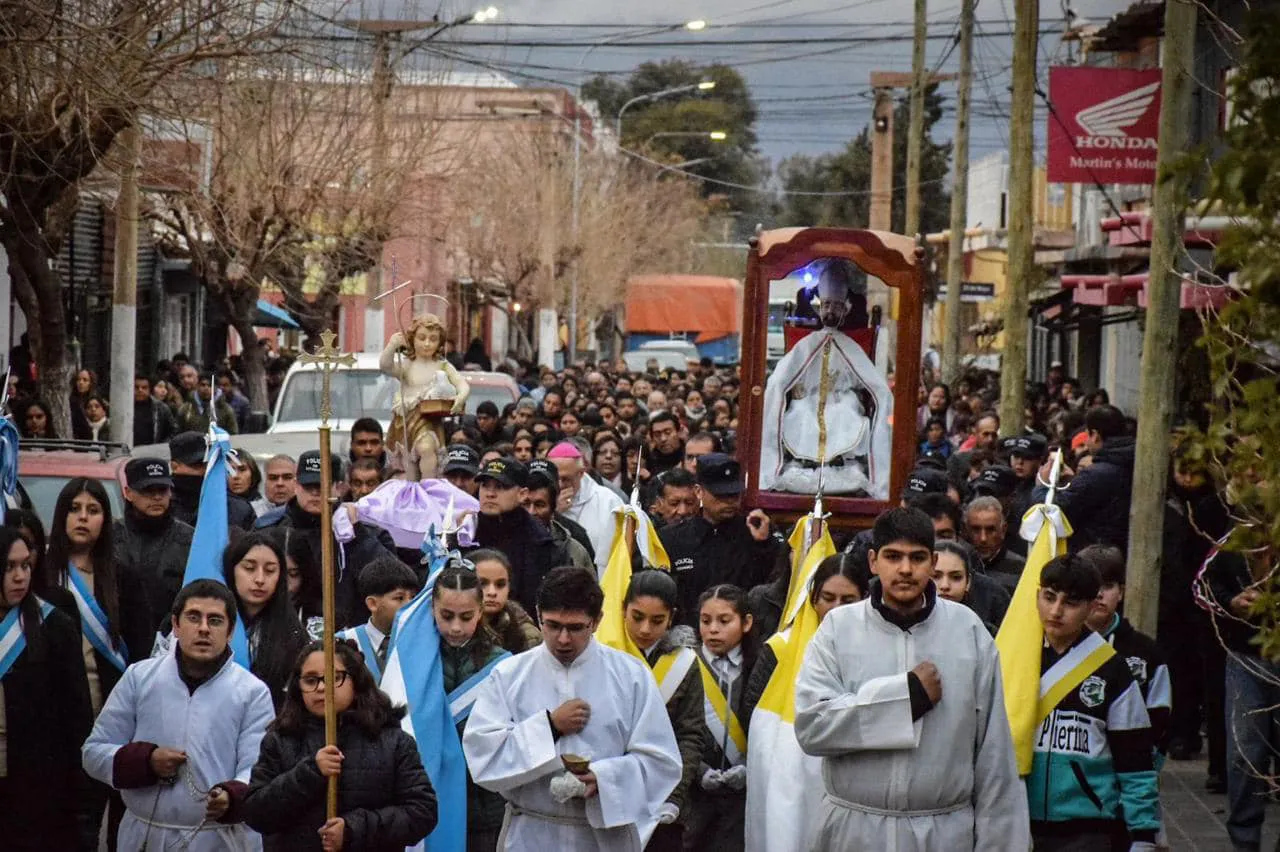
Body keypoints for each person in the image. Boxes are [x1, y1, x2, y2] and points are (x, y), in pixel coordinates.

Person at [793, 507, 1028, 851]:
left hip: (941, 832)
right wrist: (907, 698)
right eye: (893, 557)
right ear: (873, 561)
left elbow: (994, 756)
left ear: (933, 563)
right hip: (855, 830)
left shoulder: (968, 632)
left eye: (917, 558)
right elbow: (812, 727)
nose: (905, 569)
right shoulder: (838, 629)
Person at [461, 566, 683, 850]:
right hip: (533, 832)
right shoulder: (509, 675)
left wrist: (604, 780)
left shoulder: (631, 676)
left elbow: (661, 763)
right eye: (552, 625)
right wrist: (549, 727)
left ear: (598, 620)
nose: (563, 639)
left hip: (602, 838)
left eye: (576, 627)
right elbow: (483, 757)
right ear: (538, 614)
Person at [82, 579, 276, 852]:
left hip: (218, 839)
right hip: (144, 836)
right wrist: (146, 761)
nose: (204, 628)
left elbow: (257, 769)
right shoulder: (140, 677)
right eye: (194, 617)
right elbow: (93, 753)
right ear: (175, 624)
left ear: (231, 631)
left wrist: (232, 797)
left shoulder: (252, 692)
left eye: (216, 620)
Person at [242, 639, 439, 851]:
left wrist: (354, 829)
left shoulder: (394, 742)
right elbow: (256, 813)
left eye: (334, 678)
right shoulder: (280, 740)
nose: (321, 688)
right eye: (310, 680)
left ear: (356, 681)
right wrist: (310, 773)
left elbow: (422, 812)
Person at [1027, 554, 1160, 851]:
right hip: (1019, 822)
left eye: (1071, 603)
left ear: (1090, 606)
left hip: (1089, 829)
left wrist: (1143, 833)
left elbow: (1135, 759)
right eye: (1049, 597)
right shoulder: (1016, 658)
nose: (1056, 611)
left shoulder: (1113, 670)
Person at [742, 548, 869, 852]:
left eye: (848, 600)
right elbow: (753, 711)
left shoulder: (877, 650)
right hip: (788, 782)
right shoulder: (781, 647)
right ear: (813, 598)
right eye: (828, 598)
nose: (836, 608)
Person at [760, 258, 893, 499]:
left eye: (836, 306)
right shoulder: (805, 345)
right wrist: (790, 390)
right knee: (800, 413)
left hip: (843, 399)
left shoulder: (852, 347)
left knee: (844, 413)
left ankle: (839, 467)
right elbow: (779, 380)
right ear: (819, 306)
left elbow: (875, 386)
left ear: (845, 309)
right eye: (827, 305)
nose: (830, 311)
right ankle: (805, 466)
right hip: (807, 399)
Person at [0, 525, 95, 852]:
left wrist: (79, 791)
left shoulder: (54, 626)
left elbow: (77, 715)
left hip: (38, 786)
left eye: (26, 565)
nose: (19, 576)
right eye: (9, 567)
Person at [263, 451, 400, 628]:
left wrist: (358, 537)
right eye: (307, 486)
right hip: (285, 630)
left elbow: (393, 583)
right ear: (296, 485)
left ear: (340, 487)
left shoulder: (368, 533)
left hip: (351, 634)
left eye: (321, 486)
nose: (314, 493)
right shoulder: (271, 531)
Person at [618, 570, 705, 850]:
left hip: (663, 797)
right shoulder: (607, 653)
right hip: (611, 790)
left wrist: (675, 796)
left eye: (657, 621)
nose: (645, 629)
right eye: (637, 617)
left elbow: (690, 734)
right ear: (623, 609)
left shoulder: (684, 663)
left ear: (672, 617)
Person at [432, 565, 511, 852]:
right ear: (432, 609)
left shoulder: (503, 665)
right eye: (446, 616)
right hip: (428, 797)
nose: (456, 627)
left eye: (466, 617)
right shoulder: (416, 661)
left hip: (484, 804)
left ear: (480, 612)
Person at [660, 454, 787, 628]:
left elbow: (775, 583)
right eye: (720, 496)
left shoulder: (756, 532)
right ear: (699, 492)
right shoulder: (672, 538)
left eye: (734, 495)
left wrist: (764, 545)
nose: (729, 502)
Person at [1080, 545, 1171, 757]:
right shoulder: (1061, 648)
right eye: (1092, 586)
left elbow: (1160, 716)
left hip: (1132, 763)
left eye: (1108, 586)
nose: (1099, 594)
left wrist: (1147, 764)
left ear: (1121, 592)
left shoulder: (1147, 652)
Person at [687, 584, 756, 852]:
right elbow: (674, 730)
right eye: (706, 621)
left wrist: (751, 769)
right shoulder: (685, 664)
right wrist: (699, 771)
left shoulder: (759, 664)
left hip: (743, 799)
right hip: (695, 797)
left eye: (724, 621)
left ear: (746, 622)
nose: (713, 629)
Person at [469, 457, 571, 618]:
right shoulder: (464, 532)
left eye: (500, 487)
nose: (490, 493)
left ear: (522, 494)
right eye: (484, 485)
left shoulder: (543, 543)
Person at [1033, 404, 1135, 553]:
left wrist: (1041, 486)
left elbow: (1055, 511)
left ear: (1095, 435)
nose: (1086, 443)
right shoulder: (1132, 463)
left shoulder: (1097, 474)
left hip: (1095, 554)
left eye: (1087, 436)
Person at [221, 532, 307, 708]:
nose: (260, 579)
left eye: (270, 570)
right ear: (231, 571)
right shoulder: (209, 624)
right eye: (249, 568)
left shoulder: (294, 636)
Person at [381, 312, 470, 480]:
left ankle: (429, 486)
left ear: (440, 343)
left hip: (428, 417)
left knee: (427, 448)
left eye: (433, 339)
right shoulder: (407, 364)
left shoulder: (442, 365)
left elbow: (462, 384)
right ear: (412, 339)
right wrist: (392, 346)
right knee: (411, 463)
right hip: (406, 418)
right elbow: (385, 366)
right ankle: (415, 493)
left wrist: (461, 397)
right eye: (422, 338)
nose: (427, 343)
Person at [113, 457, 195, 632]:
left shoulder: (189, 539)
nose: (157, 497)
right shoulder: (110, 537)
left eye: (162, 490)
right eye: (148, 490)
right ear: (128, 493)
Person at [337, 557, 420, 685]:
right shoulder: (343, 643)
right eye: (400, 598)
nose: (410, 604)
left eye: (413, 597)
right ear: (373, 604)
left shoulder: (421, 642)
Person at [550, 441, 623, 573]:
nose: (559, 485)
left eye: (566, 479)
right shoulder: (539, 501)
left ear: (581, 473)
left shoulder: (608, 501)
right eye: (555, 478)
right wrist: (554, 512)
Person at [169, 431, 257, 531]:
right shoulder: (159, 505)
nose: (205, 470)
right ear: (174, 467)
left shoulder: (239, 509)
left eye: (210, 463)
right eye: (197, 465)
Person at [524, 460, 597, 576]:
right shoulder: (501, 543)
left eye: (540, 505)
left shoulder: (574, 550)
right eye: (525, 504)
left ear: (553, 508)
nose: (531, 512)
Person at [472, 548, 542, 654]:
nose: (492, 592)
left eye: (500, 585)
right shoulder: (449, 630)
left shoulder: (528, 635)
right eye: (482, 584)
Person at [932, 540, 1000, 634]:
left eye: (956, 577)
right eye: (935, 576)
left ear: (968, 582)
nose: (945, 585)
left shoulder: (986, 634)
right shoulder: (908, 630)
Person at [964, 495, 1024, 590]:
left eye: (990, 530)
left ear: (1003, 530)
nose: (983, 538)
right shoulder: (958, 564)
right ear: (966, 530)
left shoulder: (1021, 569)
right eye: (976, 529)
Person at [648, 412, 685, 476]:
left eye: (668, 433)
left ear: (678, 432)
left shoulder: (690, 457)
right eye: (657, 435)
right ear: (652, 438)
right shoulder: (648, 463)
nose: (663, 439)